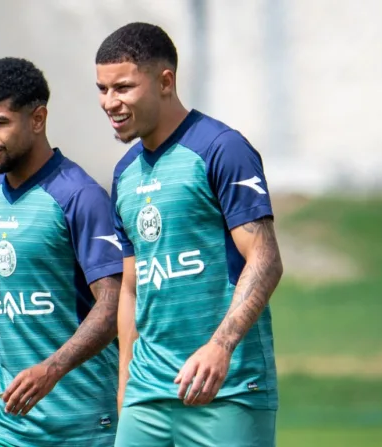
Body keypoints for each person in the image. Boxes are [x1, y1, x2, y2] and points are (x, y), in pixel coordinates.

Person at [95, 22, 284, 447]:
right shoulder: (124, 173)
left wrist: (221, 346)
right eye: (103, 89)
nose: (109, 102)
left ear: (165, 82)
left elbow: (266, 259)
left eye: (123, 87)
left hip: (227, 391)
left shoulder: (222, 148)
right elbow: (131, 288)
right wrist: (125, 385)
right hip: (146, 396)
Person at [0, 57, 124, 447]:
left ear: (38, 119)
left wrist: (52, 369)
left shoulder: (79, 196)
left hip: (81, 424)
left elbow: (113, 307)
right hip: (5, 420)